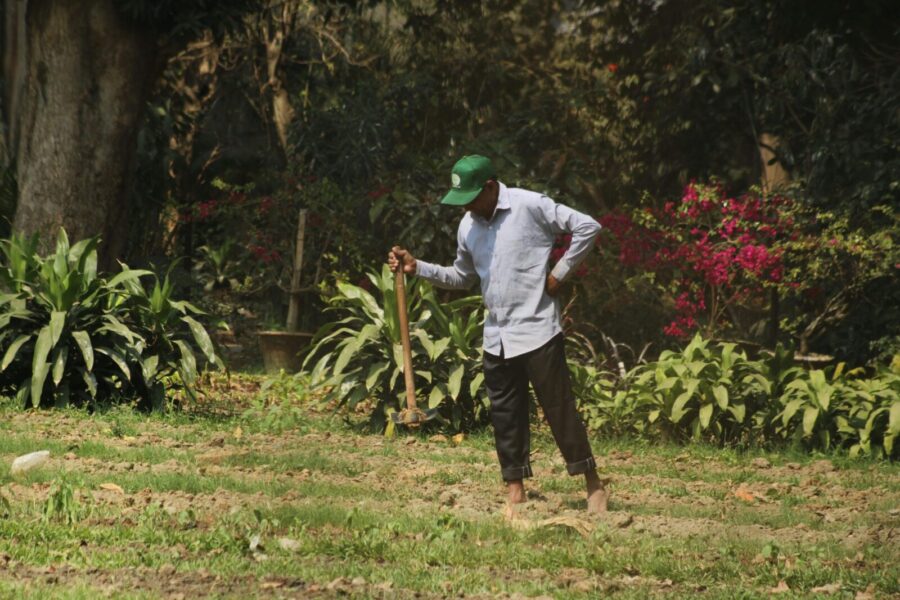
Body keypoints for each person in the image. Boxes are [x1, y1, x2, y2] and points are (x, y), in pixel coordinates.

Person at [387, 155, 609, 514]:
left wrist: (559, 274)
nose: (468, 208)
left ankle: (592, 484)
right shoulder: (467, 226)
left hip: (538, 329)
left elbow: (588, 226)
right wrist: (418, 268)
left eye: (472, 198)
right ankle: (515, 489)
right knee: (505, 415)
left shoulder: (530, 205)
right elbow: (463, 277)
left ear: (490, 187)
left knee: (559, 409)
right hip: (497, 336)